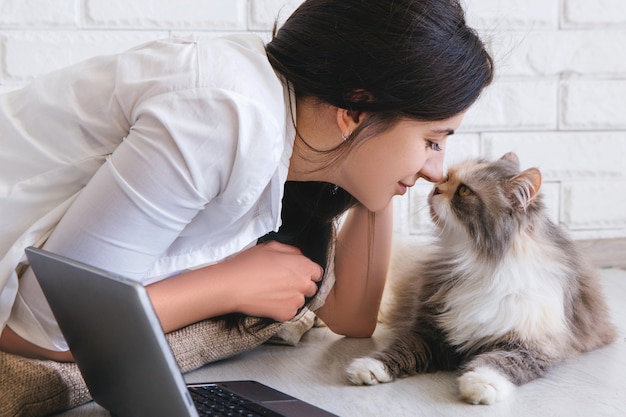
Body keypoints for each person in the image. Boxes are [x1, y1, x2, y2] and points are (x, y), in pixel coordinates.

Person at [0, 0, 493, 362]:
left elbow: (353, 318)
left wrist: (379, 176)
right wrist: (226, 285)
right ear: (353, 109)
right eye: (433, 139)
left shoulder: (307, 144)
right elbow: (49, 332)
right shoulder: (223, 117)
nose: (436, 169)